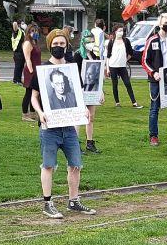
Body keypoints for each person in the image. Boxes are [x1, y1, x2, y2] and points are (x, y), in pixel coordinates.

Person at [30, 49, 96, 220]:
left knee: (76, 164)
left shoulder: (71, 70)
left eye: (62, 43)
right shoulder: (43, 70)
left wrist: (84, 110)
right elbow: (33, 96)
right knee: (48, 165)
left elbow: (79, 96)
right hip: (49, 128)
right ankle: (47, 203)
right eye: (56, 43)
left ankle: (73, 200)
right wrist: (39, 112)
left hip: (69, 128)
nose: (60, 86)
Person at [140, 12, 167, 146]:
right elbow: (144, 60)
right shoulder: (152, 40)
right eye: (166, 23)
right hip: (157, 79)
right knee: (154, 108)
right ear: (160, 24)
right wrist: (153, 73)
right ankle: (153, 136)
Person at [106, 25, 139, 107]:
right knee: (115, 84)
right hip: (113, 66)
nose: (121, 32)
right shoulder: (111, 42)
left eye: (122, 31)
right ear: (115, 32)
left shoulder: (126, 41)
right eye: (119, 30)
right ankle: (117, 103)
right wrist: (107, 69)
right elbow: (108, 56)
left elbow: (131, 53)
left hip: (122, 67)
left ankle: (134, 102)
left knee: (127, 83)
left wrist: (125, 60)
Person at [21, 22, 42, 120]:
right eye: (32, 31)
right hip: (31, 71)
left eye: (35, 31)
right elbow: (28, 59)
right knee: (28, 93)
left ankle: (33, 113)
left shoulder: (35, 42)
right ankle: (25, 114)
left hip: (37, 70)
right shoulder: (27, 43)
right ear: (28, 32)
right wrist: (32, 72)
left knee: (36, 93)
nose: (34, 33)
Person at [11, 21, 27, 86]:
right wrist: (17, 24)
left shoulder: (23, 32)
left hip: (22, 52)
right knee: (18, 67)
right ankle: (15, 80)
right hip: (18, 52)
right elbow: (14, 25)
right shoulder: (17, 31)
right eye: (22, 24)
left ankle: (19, 79)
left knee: (21, 66)